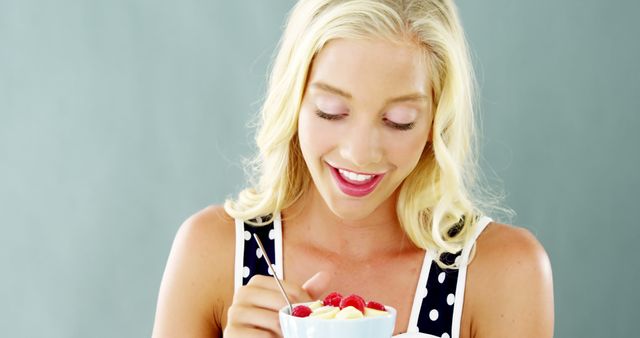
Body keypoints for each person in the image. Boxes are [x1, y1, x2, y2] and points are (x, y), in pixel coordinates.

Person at [151, 0, 554, 337]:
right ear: (294, 102)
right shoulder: (211, 253)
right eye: (332, 112)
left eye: (399, 120)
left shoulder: (504, 271)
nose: (360, 154)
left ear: (436, 122)